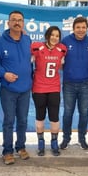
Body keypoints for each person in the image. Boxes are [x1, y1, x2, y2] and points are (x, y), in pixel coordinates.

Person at [0, 10, 32, 165]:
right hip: (8, 89)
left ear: (23, 23)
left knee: (22, 120)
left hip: (25, 89)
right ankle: (7, 151)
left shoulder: (27, 39)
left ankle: (21, 147)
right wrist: (4, 74)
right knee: (9, 121)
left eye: (20, 20)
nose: (17, 22)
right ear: (8, 23)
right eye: (14, 20)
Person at [31, 26, 67, 156]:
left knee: (54, 117)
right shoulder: (37, 47)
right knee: (40, 116)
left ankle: (54, 142)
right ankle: (40, 142)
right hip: (39, 87)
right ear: (47, 35)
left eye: (57, 36)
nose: (54, 38)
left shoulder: (62, 49)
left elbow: (63, 65)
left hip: (54, 88)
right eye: (52, 35)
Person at [60, 16, 88, 150]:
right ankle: (66, 139)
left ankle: (82, 138)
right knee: (68, 112)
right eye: (78, 27)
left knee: (84, 113)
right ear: (73, 29)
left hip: (86, 83)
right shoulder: (65, 41)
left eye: (83, 27)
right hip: (69, 83)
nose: (80, 30)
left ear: (87, 28)